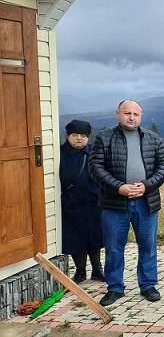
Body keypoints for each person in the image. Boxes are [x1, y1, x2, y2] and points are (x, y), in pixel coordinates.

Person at [89, 100, 164, 306]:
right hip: (115, 203)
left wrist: (147, 186)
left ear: (141, 117)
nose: (131, 117)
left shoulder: (153, 138)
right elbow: (96, 167)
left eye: (136, 114)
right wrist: (118, 187)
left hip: (146, 202)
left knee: (148, 246)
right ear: (118, 114)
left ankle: (148, 285)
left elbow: (163, 166)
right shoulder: (104, 138)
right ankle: (115, 287)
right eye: (127, 113)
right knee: (114, 247)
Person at [60, 119, 104, 283]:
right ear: (68, 136)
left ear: (88, 137)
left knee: (95, 236)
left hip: (94, 202)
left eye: (83, 135)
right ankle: (80, 271)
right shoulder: (59, 154)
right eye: (75, 135)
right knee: (75, 237)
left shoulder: (94, 153)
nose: (79, 138)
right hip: (71, 203)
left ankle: (97, 269)